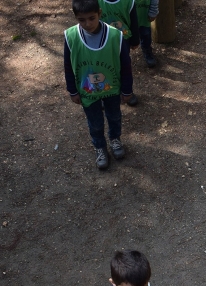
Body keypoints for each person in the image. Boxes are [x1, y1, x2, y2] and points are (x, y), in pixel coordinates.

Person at [64, 0, 135, 170]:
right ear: (75, 18)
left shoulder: (115, 36)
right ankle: (99, 147)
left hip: (112, 89)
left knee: (114, 116)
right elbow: (68, 65)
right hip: (87, 93)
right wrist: (72, 90)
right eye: (81, 20)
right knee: (94, 122)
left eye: (91, 18)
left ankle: (115, 140)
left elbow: (125, 65)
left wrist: (127, 89)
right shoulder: (71, 37)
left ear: (100, 13)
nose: (87, 24)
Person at [98, 0, 141, 104]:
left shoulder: (129, 2)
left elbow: (134, 21)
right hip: (103, 41)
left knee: (124, 66)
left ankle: (127, 92)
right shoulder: (96, 2)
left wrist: (135, 40)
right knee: (104, 67)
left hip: (123, 40)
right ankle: (104, 93)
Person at [135, 0, 159, 67]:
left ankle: (147, 50)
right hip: (127, 15)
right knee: (126, 38)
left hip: (144, 15)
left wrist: (153, 11)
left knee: (146, 34)